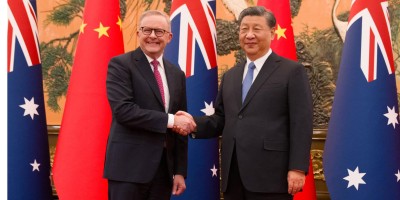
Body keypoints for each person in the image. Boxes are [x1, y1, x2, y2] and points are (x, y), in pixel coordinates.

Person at [175, 6, 313, 200]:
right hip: (234, 176)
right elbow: (222, 119)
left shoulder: (292, 71)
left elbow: (301, 122)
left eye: (256, 29)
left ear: (272, 33)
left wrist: (298, 168)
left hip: (272, 177)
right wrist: (194, 123)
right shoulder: (231, 75)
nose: (249, 35)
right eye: (244, 29)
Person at [103, 10, 195, 200]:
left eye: (159, 31)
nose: (152, 36)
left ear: (169, 37)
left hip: (163, 171)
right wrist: (172, 120)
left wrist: (179, 171)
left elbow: (180, 125)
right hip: (128, 170)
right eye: (146, 30)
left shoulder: (176, 73)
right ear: (138, 34)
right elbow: (124, 111)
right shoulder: (120, 65)